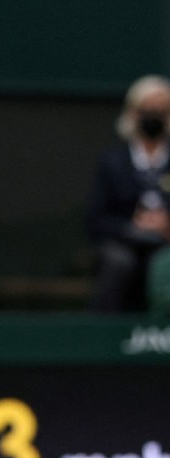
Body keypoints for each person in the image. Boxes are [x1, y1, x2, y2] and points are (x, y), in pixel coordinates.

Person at [86, 75, 170, 312]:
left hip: (165, 245)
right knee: (118, 261)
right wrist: (133, 226)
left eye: (162, 111)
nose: (154, 116)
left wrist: (165, 226)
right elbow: (95, 221)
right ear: (133, 113)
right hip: (123, 243)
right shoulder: (112, 162)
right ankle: (102, 338)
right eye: (148, 110)